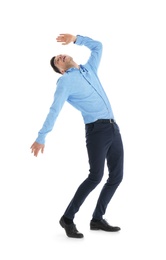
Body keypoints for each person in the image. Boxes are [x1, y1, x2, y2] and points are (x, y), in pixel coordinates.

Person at [30, 33, 124, 239]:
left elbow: (98, 46)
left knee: (117, 176)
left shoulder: (89, 69)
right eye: (57, 61)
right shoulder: (65, 82)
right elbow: (54, 110)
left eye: (60, 55)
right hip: (96, 131)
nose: (60, 57)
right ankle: (68, 218)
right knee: (95, 177)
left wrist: (76, 39)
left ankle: (97, 219)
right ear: (60, 70)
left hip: (113, 128)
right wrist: (41, 136)